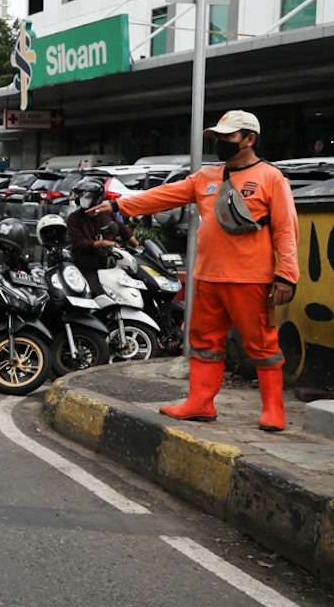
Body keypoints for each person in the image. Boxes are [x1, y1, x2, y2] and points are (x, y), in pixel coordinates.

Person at [89, 110, 299, 431]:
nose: (220, 143)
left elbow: (286, 230)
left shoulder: (271, 178)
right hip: (206, 279)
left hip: (251, 280)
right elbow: (162, 196)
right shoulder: (207, 177)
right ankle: (200, 403)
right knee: (204, 343)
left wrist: (287, 275)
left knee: (262, 344)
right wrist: (119, 205)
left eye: (227, 137)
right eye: (218, 137)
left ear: (249, 139)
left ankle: (273, 410)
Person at [67, 178, 129, 295]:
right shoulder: (74, 218)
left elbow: (122, 228)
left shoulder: (107, 214)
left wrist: (137, 245)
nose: (84, 200)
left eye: (88, 196)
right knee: (98, 293)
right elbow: (79, 243)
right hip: (88, 266)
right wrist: (102, 243)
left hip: (110, 264)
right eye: (82, 196)